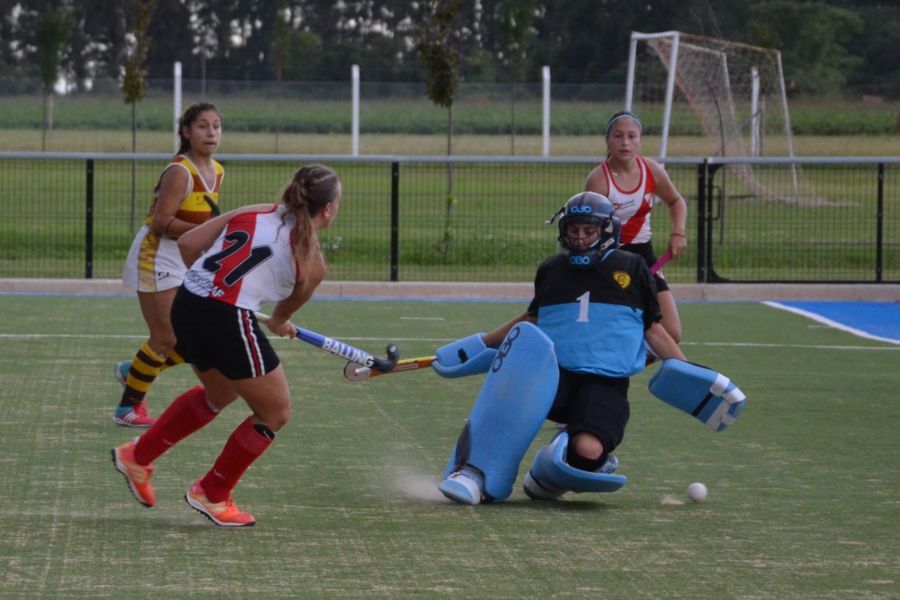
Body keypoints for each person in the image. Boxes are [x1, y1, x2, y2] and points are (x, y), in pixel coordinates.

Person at [111, 164, 342, 526]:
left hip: (188, 302)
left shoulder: (254, 211)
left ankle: (138, 456)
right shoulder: (313, 263)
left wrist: (207, 284)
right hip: (226, 318)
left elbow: (188, 244)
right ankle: (212, 494)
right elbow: (281, 318)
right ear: (327, 209)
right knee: (275, 412)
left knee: (218, 393)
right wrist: (280, 323)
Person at [433, 191, 687, 505]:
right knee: (513, 387)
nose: (580, 238)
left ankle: (548, 473)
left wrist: (689, 371)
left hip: (605, 383)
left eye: (588, 231)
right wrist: (482, 344)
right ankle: (474, 472)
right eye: (573, 230)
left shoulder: (633, 269)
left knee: (588, 452)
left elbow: (654, 330)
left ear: (607, 231)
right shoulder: (551, 269)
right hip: (553, 376)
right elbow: (533, 319)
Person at [115, 102, 225, 427]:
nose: (211, 132)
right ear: (187, 132)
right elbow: (161, 223)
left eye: (216, 126)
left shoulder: (218, 171)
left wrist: (210, 243)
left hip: (185, 256)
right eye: (203, 126)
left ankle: (132, 371)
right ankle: (126, 410)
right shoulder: (180, 171)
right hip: (155, 254)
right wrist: (207, 233)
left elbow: (206, 219)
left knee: (191, 338)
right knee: (165, 338)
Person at [584, 110, 688, 343]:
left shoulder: (651, 170)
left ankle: (630, 359)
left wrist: (678, 231)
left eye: (632, 136)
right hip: (610, 258)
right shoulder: (598, 180)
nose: (625, 142)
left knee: (672, 333)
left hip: (644, 258)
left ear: (640, 141)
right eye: (618, 136)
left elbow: (676, 201)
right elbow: (586, 228)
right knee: (608, 330)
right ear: (607, 141)